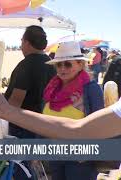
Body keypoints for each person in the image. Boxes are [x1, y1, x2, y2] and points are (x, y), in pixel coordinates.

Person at [42, 41, 103, 180]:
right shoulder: (52, 89)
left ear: (80, 64)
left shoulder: (91, 89)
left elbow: (99, 124)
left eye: (68, 64)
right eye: (59, 64)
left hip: (80, 159)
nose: (62, 68)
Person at [4, 25, 56, 139]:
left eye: (22, 41)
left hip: (22, 126)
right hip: (43, 123)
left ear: (27, 43)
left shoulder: (27, 64)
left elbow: (16, 101)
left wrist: (3, 119)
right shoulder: (51, 63)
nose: (21, 46)